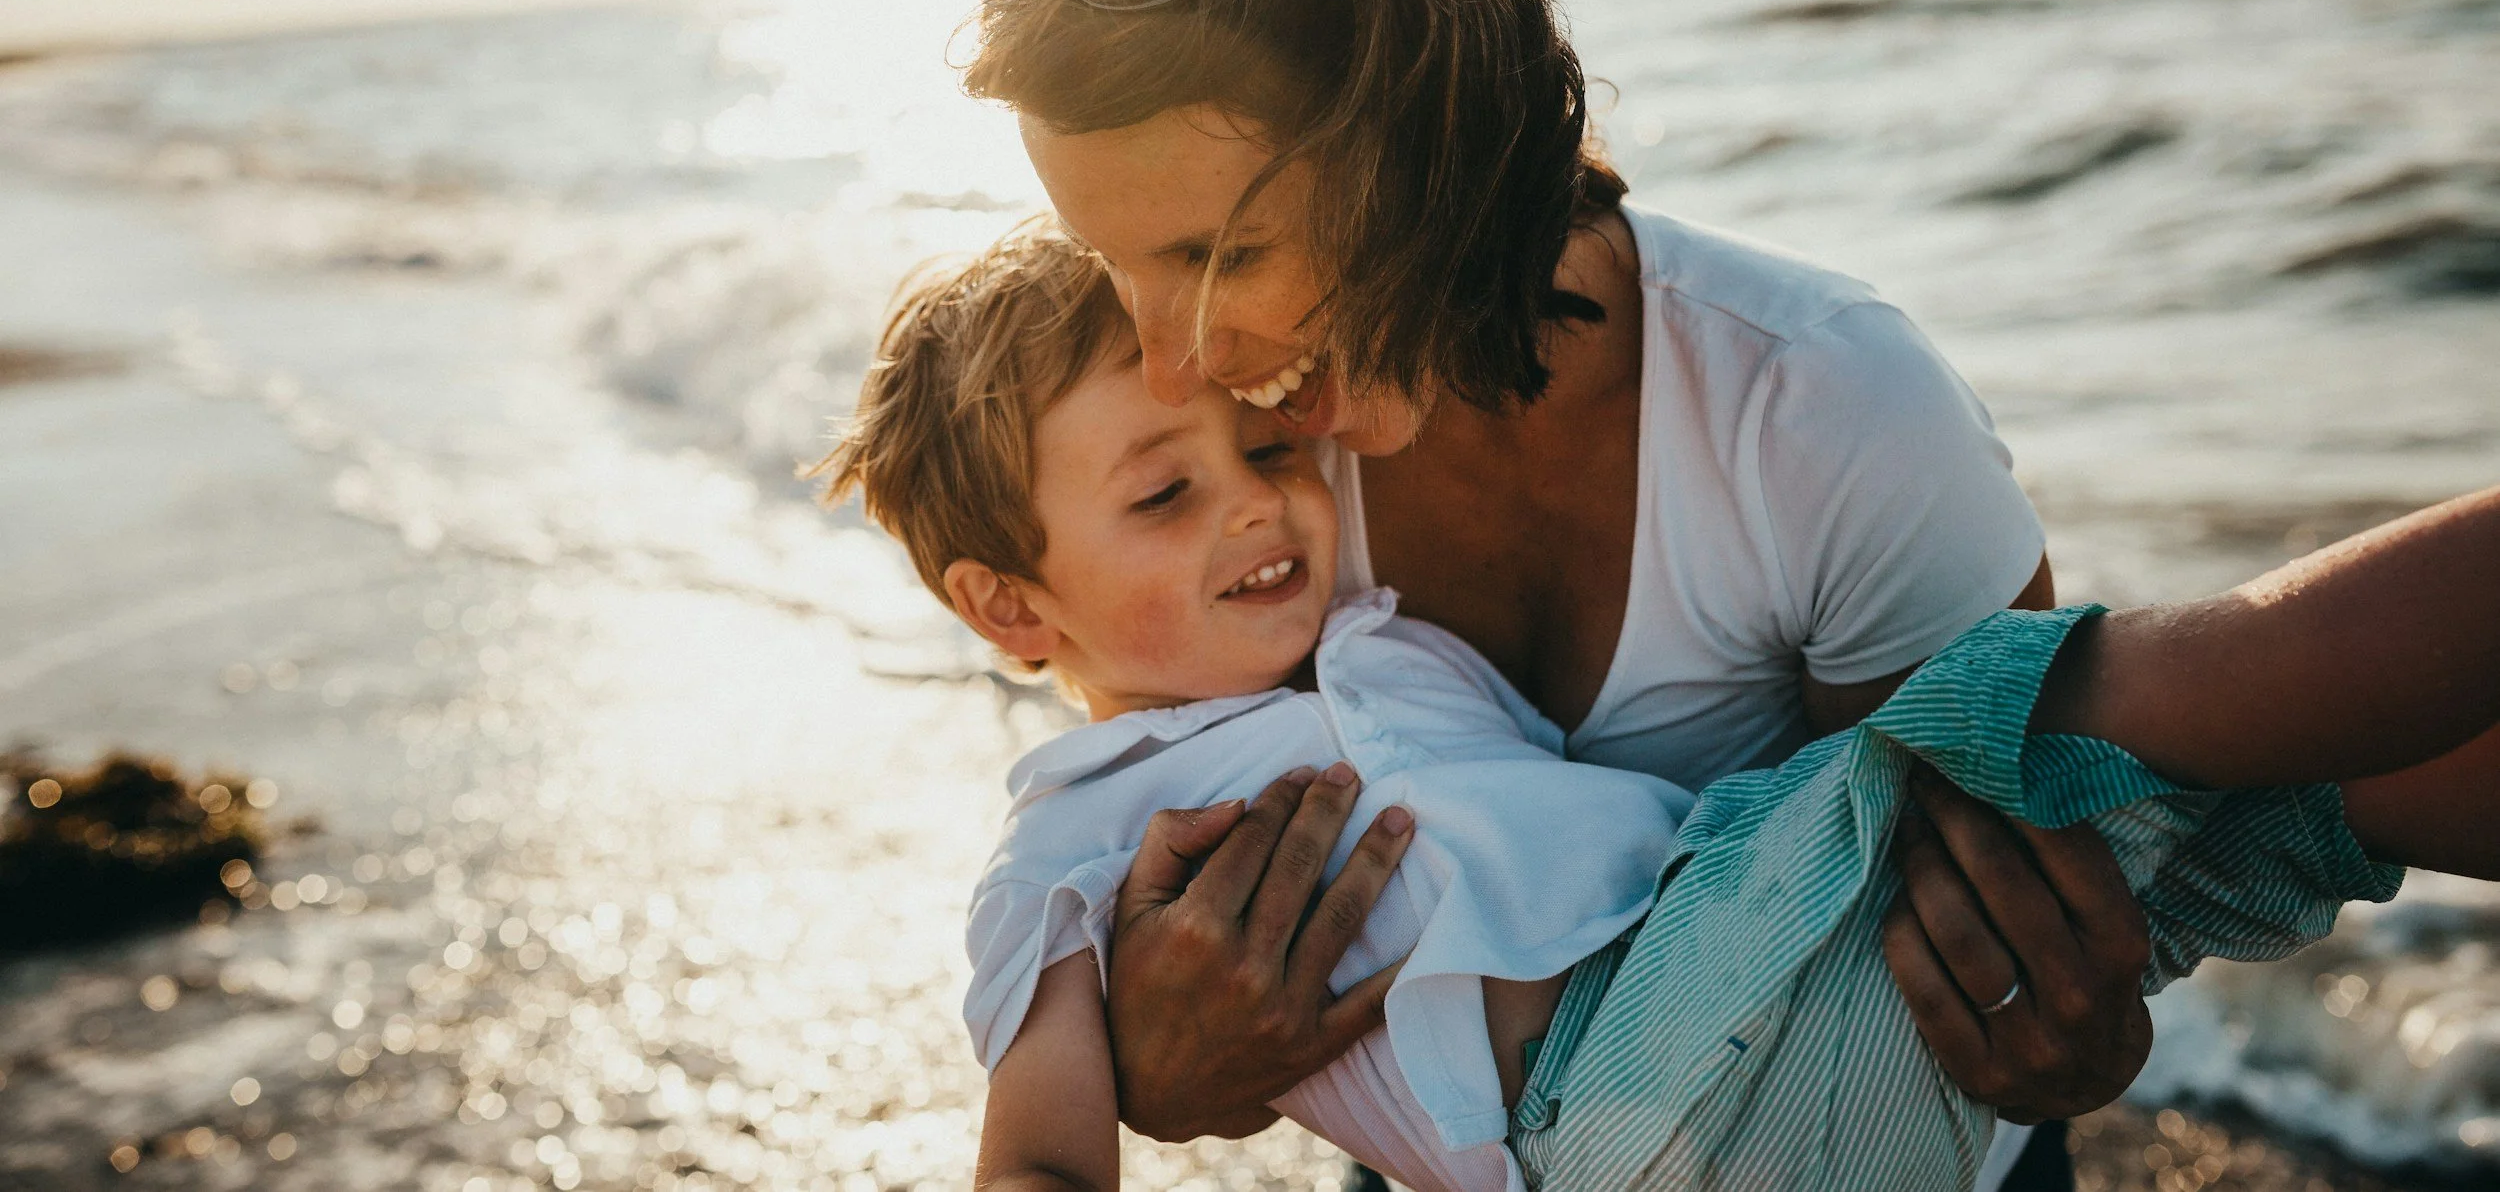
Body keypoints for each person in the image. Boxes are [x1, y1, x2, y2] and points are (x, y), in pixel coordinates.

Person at [961, 0, 2145, 1187]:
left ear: (1427, 138)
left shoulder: (1825, 415)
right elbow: (1161, 803)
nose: (1173, 358)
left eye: (1221, 251)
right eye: (1111, 264)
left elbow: (2001, 933)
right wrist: (1165, 1061)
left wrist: (2070, 1031)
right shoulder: (1238, 471)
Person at [817, 224, 2500, 1192]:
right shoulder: (1077, 828)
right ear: (1008, 606)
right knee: (2091, 703)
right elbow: (1038, 1153)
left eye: (1262, 449)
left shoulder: (1381, 641)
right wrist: (1149, 1069)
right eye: (1162, 497)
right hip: (1622, 1100)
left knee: (2319, 797)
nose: (1261, 504)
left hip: (1795, 1034)